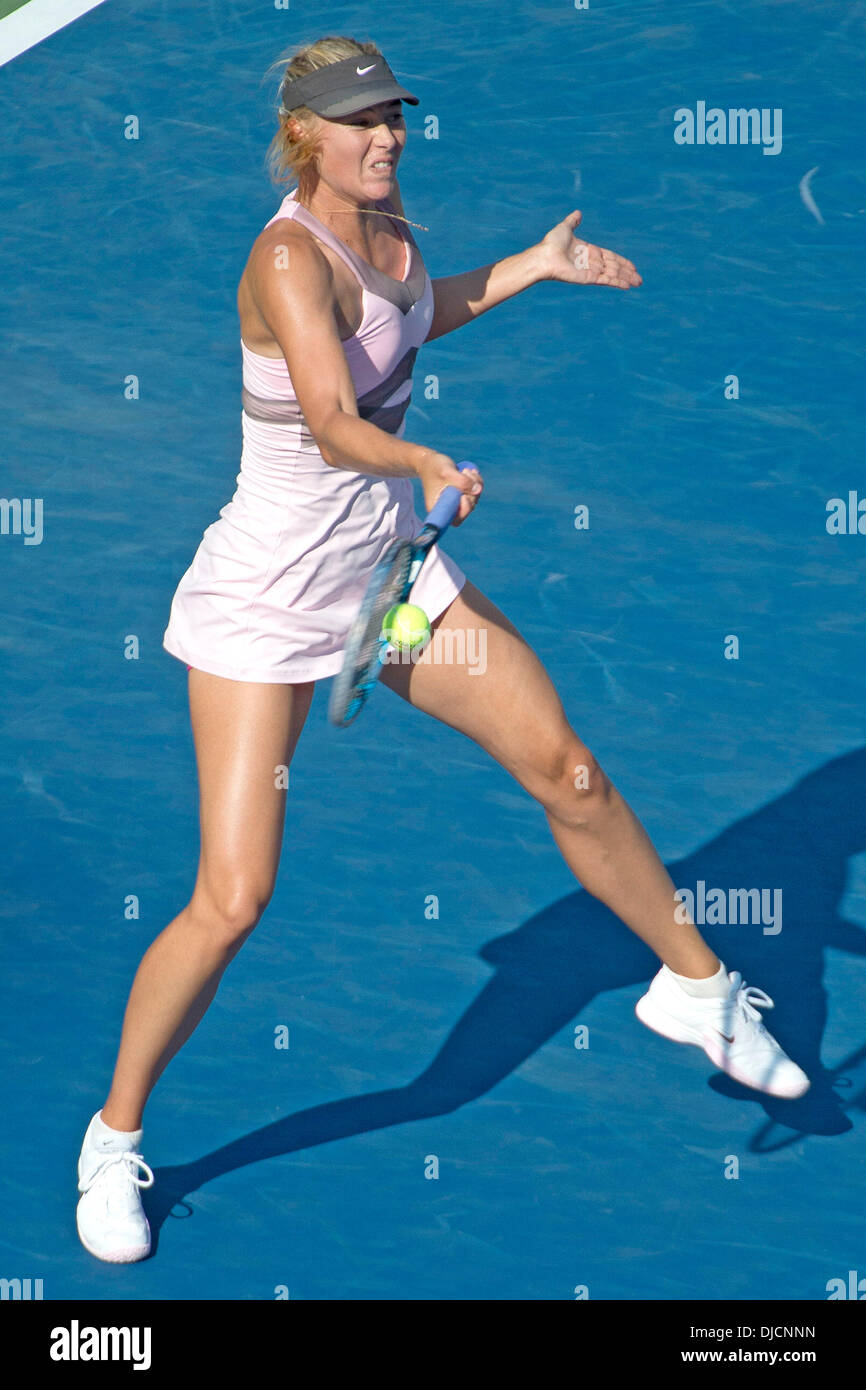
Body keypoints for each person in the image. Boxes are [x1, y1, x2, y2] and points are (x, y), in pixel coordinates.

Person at [75, 34, 809, 1265]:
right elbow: (326, 414)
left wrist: (526, 267)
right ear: (305, 133)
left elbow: (410, 323)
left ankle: (692, 984)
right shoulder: (283, 260)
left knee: (567, 769)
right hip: (266, 601)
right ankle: (113, 1136)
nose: (386, 138)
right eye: (360, 122)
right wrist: (419, 461)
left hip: (388, 582)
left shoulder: (386, 215)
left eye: (395, 118)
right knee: (232, 896)